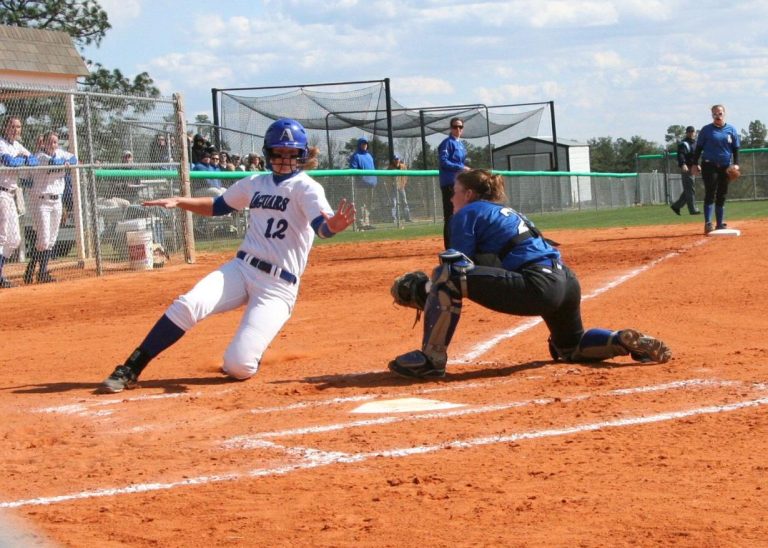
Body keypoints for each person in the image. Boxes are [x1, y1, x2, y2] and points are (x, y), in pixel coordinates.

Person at [99, 118, 356, 393]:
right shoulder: (255, 182)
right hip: (242, 268)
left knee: (238, 367)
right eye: (279, 152)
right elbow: (218, 206)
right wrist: (180, 201)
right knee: (188, 304)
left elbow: (322, 228)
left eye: (291, 153)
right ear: (269, 153)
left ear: (302, 155)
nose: (285, 158)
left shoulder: (307, 188)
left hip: (278, 287)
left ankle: (247, 354)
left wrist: (334, 226)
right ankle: (131, 366)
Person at [388, 169, 671, 379]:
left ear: (470, 194)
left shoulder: (468, 213)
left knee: (446, 274)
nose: (452, 197)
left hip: (538, 284)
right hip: (566, 281)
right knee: (569, 347)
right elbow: (492, 265)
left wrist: (426, 292)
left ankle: (430, 359)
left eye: (455, 191)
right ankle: (619, 339)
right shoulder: (506, 212)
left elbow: (457, 266)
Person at [24, 131, 78, 284]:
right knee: (43, 240)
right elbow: (53, 164)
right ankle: (33, 268)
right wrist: (64, 163)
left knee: (52, 239)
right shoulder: (39, 157)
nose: (53, 145)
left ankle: (41, 272)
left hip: (57, 201)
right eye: (49, 142)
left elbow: (74, 158)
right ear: (43, 143)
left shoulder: (59, 152)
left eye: (55, 142)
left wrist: (68, 161)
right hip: (42, 201)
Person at [0, 116, 39, 288]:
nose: (16, 129)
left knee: (15, 239)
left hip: (11, 195)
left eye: (18, 126)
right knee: (2, 237)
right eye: (12, 126)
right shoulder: (1, 143)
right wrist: (22, 160)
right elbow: (8, 161)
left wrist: (21, 160)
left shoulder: (16, 146)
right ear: (5, 127)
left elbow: (34, 160)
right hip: (1, 193)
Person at [691, 104, 740, 234]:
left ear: (724, 114)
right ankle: (708, 223)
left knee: (722, 194)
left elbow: (735, 148)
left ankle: (719, 223)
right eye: (715, 114)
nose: (717, 116)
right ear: (712, 115)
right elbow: (699, 148)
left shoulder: (731, 129)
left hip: (725, 166)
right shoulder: (706, 130)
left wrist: (736, 163)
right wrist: (695, 163)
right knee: (710, 191)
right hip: (709, 164)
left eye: (720, 113)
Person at [437, 117, 470, 247]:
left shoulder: (461, 145)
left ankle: (459, 244)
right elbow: (444, 162)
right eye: (455, 127)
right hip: (449, 184)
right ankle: (449, 248)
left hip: (460, 183)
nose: (458, 129)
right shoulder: (447, 143)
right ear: (451, 128)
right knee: (450, 216)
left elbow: (462, 163)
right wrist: (461, 167)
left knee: (460, 214)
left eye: (460, 127)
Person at [670, 126, 701, 216]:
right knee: (690, 189)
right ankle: (693, 210)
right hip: (687, 168)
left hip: (693, 168)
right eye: (689, 131)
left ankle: (676, 206)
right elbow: (681, 155)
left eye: (693, 131)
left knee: (689, 189)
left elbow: (695, 156)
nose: (691, 133)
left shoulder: (695, 143)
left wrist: (697, 164)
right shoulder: (684, 143)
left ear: (695, 133)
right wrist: (683, 164)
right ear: (686, 133)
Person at [348, 136, 377, 229]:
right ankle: (361, 223)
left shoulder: (369, 156)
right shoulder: (356, 156)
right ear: (359, 145)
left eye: (365, 143)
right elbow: (353, 169)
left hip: (371, 184)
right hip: (361, 185)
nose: (364, 145)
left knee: (369, 204)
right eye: (362, 143)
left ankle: (367, 223)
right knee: (360, 204)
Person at [388, 155, 412, 223]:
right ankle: (393, 218)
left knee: (404, 202)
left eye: (397, 159)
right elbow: (388, 178)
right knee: (394, 203)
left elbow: (406, 176)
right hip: (393, 188)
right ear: (393, 160)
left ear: (399, 160)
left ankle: (407, 218)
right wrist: (391, 184)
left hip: (401, 187)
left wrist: (404, 183)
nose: (396, 161)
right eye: (395, 159)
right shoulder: (390, 167)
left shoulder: (403, 166)